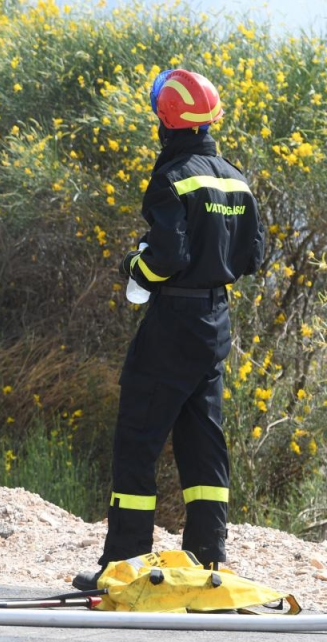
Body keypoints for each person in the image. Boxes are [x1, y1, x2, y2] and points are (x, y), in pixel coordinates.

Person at [74, 69, 265, 590]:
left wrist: (138, 272)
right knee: (203, 441)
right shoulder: (234, 177)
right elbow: (253, 255)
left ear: (166, 121)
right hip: (215, 322)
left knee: (138, 437)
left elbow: (166, 256)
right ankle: (209, 561)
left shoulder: (172, 176)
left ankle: (124, 565)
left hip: (173, 321)